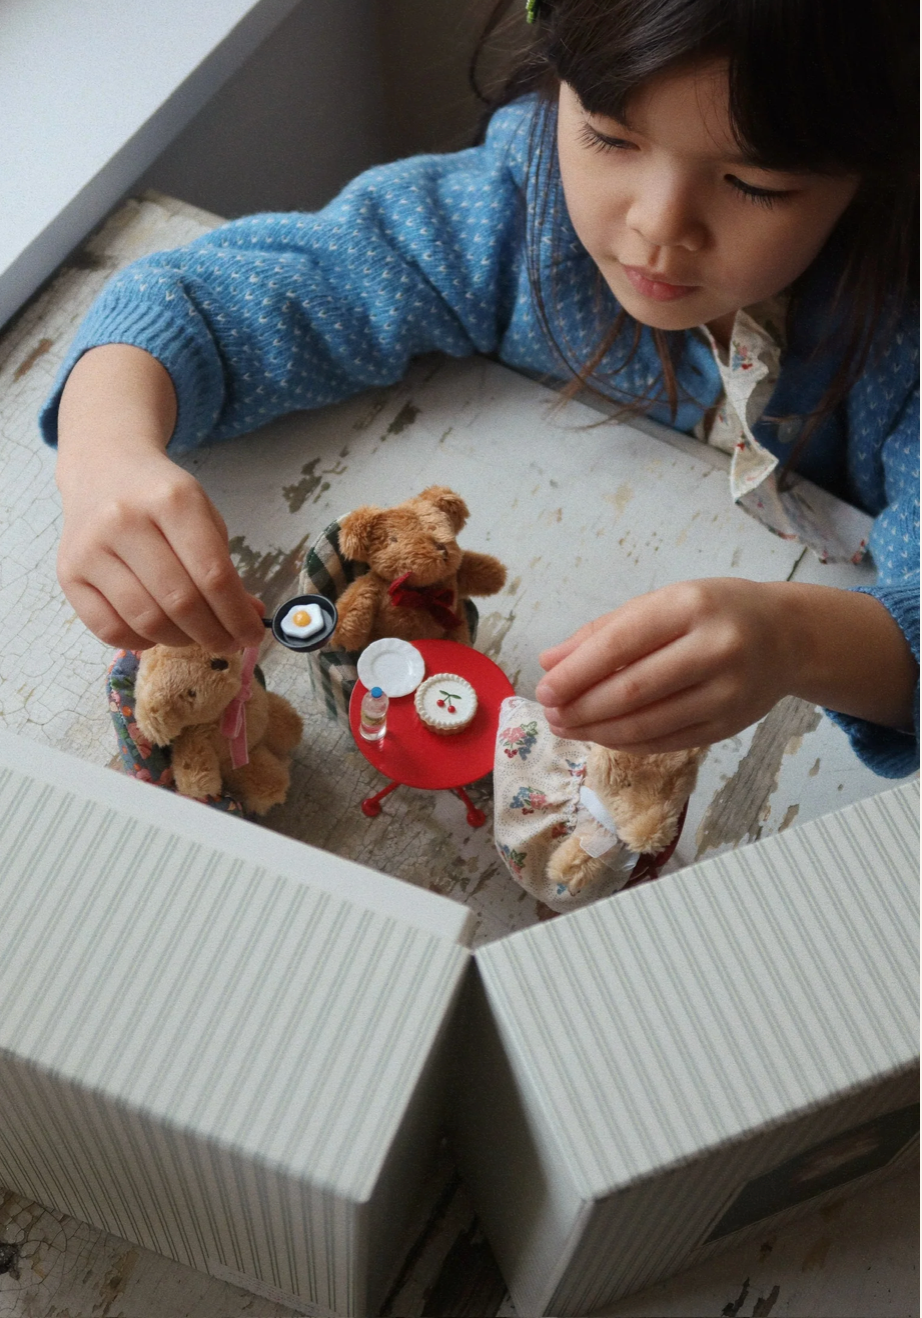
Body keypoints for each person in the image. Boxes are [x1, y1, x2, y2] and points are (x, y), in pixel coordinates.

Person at [42, 0, 918, 778]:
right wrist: (105, 452)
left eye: (755, 184)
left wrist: (797, 641)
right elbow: (195, 306)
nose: (658, 224)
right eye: (610, 137)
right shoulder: (513, 214)